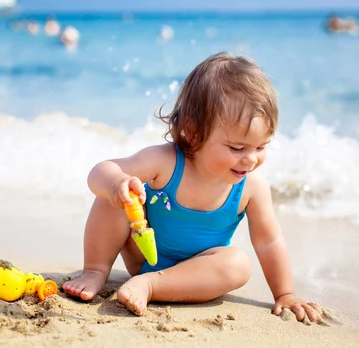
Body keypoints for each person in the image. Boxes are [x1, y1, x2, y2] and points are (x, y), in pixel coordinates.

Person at [62, 52, 322, 322]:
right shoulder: (165, 161)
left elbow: (269, 242)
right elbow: (99, 172)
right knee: (117, 189)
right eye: (237, 148)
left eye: (261, 147)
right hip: (143, 254)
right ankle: (94, 271)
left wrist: (285, 294)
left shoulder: (251, 189)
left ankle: (152, 285)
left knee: (239, 265)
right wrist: (116, 184)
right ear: (193, 132)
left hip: (197, 275)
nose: (251, 158)